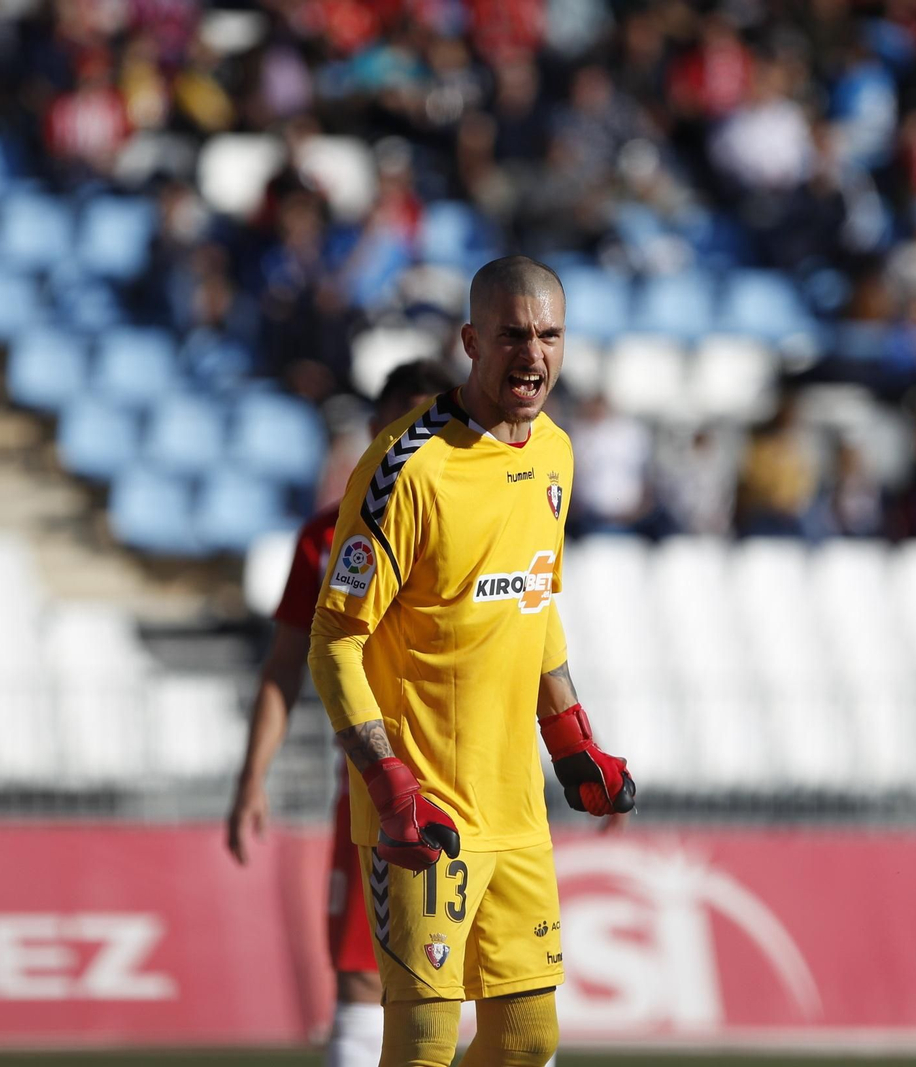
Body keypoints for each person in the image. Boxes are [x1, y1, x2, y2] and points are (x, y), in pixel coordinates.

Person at [308, 256, 635, 1067]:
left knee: (527, 1037)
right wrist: (389, 783)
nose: (534, 354)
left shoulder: (555, 453)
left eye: (549, 335)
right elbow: (334, 640)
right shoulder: (408, 468)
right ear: (471, 341)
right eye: (513, 335)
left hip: (516, 808)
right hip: (424, 809)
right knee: (423, 1039)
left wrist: (572, 738)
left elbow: (534, 602)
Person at [226, 358, 455, 1067]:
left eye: (429, 423)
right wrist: (252, 776)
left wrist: (572, 745)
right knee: (361, 979)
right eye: (401, 421)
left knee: (500, 988)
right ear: (377, 427)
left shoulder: (479, 523)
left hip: (470, 780)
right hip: (372, 787)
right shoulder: (327, 539)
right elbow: (284, 665)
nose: (414, 437)